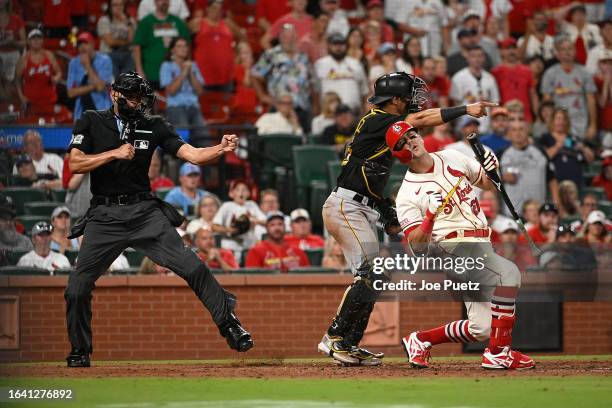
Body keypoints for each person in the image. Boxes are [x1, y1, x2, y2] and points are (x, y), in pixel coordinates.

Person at [64, 72, 253, 368]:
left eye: (142, 98)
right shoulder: (90, 119)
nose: (139, 103)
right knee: (76, 287)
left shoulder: (153, 125)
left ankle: (229, 325)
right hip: (104, 216)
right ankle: (79, 350)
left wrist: (219, 148)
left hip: (144, 213)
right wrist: (113, 153)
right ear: (115, 95)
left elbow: (192, 155)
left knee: (193, 266)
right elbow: (75, 163)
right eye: (133, 97)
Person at [318, 71, 497, 367]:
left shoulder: (383, 127)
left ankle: (348, 343)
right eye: (408, 95)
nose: (414, 100)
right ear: (395, 100)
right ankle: (335, 338)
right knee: (371, 272)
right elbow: (422, 120)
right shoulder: (377, 119)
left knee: (378, 275)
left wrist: (388, 214)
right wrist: (466, 109)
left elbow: (368, 180)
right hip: (345, 206)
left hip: (362, 206)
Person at [389, 120, 535, 370]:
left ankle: (420, 340)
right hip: (453, 247)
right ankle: (499, 352)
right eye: (403, 142)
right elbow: (417, 245)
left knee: (481, 327)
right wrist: (428, 219)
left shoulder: (451, 156)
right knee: (508, 274)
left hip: (481, 242)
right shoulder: (406, 193)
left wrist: (491, 168)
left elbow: (488, 184)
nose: (411, 142)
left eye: (412, 135)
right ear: (398, 153)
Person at [252, 23, 316, 133]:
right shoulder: (271, 55)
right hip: (279, 107)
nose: (289, 40)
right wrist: (263, 96)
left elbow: (311, 82)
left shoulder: (303, 57)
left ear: (296, 38)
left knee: (302, 138)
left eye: (292, 37)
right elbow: (254, 74)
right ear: (280, 38)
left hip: (301, 107)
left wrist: (315, 105)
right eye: (286, 37)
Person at [540, 37, 598, 142]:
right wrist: (550, 125)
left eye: (570, 48)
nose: (567, 52)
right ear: (557, 53)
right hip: (558, 124)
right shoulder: (550, 73)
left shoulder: (584, 72)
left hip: (580, 123)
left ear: (575, 51)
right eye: (563, 49)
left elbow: (591, 100)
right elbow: (547, 103)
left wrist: (593, 125)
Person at [499, 120, 559, 218]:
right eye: (514, 130)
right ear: (509, 134)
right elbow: (491, 182)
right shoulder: (501, 154)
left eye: (521, 129)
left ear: (527, 132)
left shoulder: (540, 152)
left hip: (538, 212)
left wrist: (556, 205)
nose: (518, 133)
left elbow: (552, 180)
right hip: (512, 214)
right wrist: (502, 177)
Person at [132, 0, 190, 89]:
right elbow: (137, 47)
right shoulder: (146, 22)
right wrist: (139, 71)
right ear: (155, 2)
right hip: (151, 74)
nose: (164, 2)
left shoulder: (178, 22)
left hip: (174, 75)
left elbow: (187, 45)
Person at [159, 37, 207, 142]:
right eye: (179, 46)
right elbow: (171, 91)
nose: (184, 49)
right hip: (176, 107)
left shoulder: (193, 66)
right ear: (172, 50)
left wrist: (190, 73)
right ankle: (181, 158)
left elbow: (199, 91)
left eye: (185, 46)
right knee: (183, 138)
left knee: (204, 137)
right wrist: (183, 73)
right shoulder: (166, 66)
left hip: (193, 106)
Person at [190, 0, 241, 90]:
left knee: (226, 103)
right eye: (214, 8)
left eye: (219, 9)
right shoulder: (197, 23)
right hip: (203, 74)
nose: (216, 11)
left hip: (226, 74)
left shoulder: (227, 24)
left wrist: (237, 56)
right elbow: (185, 41)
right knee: (203, 102)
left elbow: (242, 37)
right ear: (207, 9)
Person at [538, 108, 594, 188]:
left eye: (564, 119)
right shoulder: (545, 138)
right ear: (552, 121)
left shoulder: (573, 138)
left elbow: (590, 159)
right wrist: (557, 146)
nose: (561, 122)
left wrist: (583, 148)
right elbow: (544, 157)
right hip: (555, 182)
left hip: (575, 183)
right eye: (558, 119)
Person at [212, 179, 266, 262]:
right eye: (237, 189)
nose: (241, 192)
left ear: (248, 193)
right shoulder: (227, 206)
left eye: (244, 190)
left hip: (249, 248)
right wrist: (230, 230)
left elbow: (266, 222)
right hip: (229, 247)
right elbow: (214, 227)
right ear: (232, 193)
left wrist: (254, 220)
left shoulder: (252, 205)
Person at [314, 32, 368, 113]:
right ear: (329, 46)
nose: (338, 47)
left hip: (353, 112)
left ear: (346, 46)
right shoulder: (320, 64)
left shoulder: (356, 64)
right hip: (329, 113)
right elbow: (316, 91)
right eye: (335, 44)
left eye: (341, 44)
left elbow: (364, 92)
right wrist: (316, 110)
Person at [450, 45, 500, 132]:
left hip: (486, 127)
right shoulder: (458, 77)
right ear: (467, 58)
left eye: (480, 56)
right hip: (465, 126)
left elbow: (495, 103)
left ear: (484, 58)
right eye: (473, 56)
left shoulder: (490, 78)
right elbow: (455, 104)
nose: (477, 59)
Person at [66, 32, 113, 121]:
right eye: (80, 44)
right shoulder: (74, 63)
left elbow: (100, 88)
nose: (82, 47)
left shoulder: (105, 60)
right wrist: (92, 86)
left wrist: (87, 66)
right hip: (81, 114)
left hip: (101, 113)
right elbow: (70, 93)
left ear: (92, 44)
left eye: (85, 43)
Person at [15, 29, 62, 115]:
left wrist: (56, 78)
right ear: (28, 41)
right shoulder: (23, 60)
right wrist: (21, 96)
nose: (36, 41)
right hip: (31, 103)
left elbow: (59, 72)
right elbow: (17, 80)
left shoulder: (49, 55)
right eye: (33, 38)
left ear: (42, 41)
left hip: (49, 101)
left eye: (39, 38)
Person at [491, 38, 538, 123]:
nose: (511, 51)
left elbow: (533, 95)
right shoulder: (496, 72)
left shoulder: (527, 71)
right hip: (505, 118)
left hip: (525, 117)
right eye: (508, 48)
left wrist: (538, 116)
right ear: (502, 52)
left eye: (513, 48)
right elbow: (494, 98)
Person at [245, 211, 310, 272]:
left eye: (280, 224)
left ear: (285, 227)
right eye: (272, 225)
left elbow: (308, 277)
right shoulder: (256, 251)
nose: (277, 228)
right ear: (266, 228)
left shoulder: (297, 252)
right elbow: (252, 278)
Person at [97, 0, 136, 77]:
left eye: (121, 5)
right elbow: (110, 42)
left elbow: (132, 41)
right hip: (109, 54)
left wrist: (127, 22)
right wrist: (126, 42)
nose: (118, 8)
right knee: (113, 84)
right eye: (115, 5)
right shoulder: (104, 20)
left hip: (127, 54)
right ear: (110, 7)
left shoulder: (130, 21)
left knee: (127, 85)